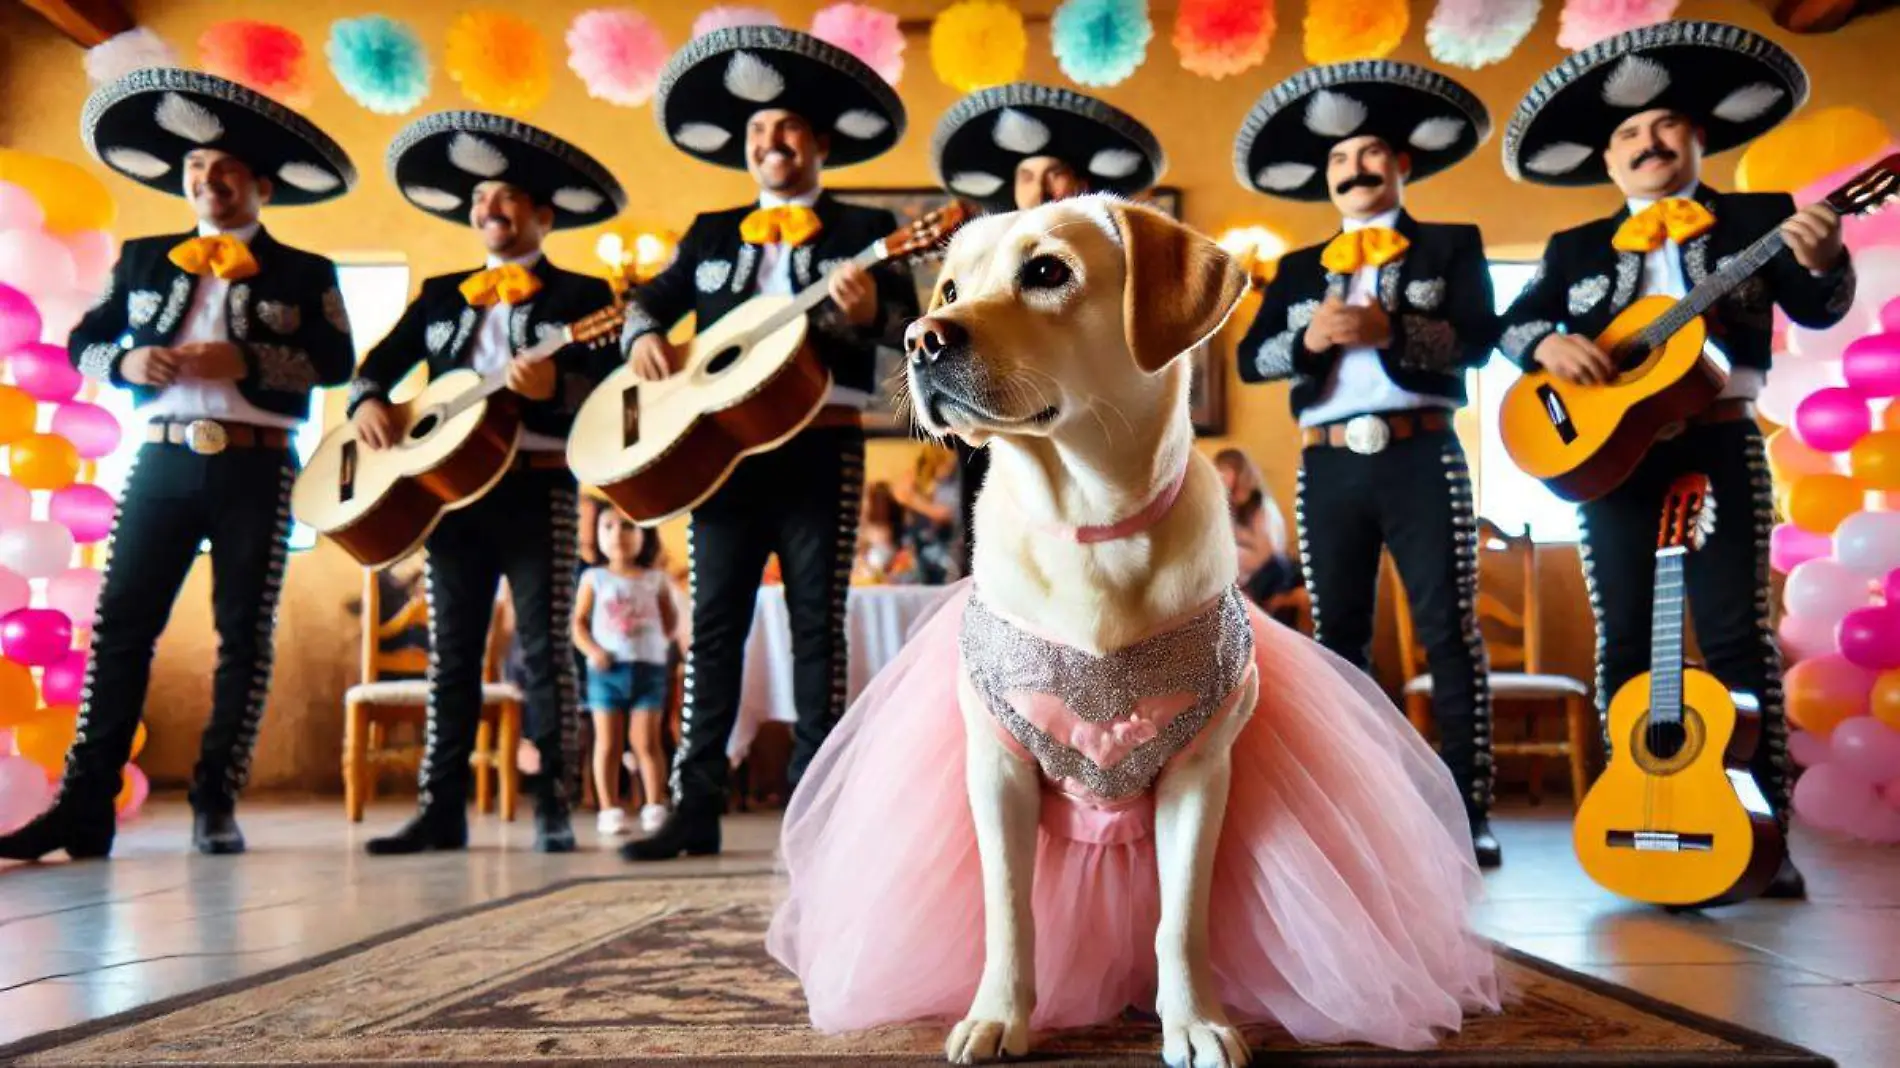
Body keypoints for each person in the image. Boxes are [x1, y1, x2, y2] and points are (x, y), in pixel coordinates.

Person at [1496, 21, 1855, 899]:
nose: (1646, 143)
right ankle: (1638, 811)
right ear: (1608, 161)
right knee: (1625, 640)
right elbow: (1514, 324)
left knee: (1736, 636)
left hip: (1721, 441)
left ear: (1698, 137)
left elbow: (1817, 307)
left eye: (1664, 125)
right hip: (1611, 461)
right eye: (1626, 134)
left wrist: (1827, 255)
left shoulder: (1760, 218)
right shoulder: (1575, 247)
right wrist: (1549, 348)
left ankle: (1761, 834)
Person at [2, 68, 357, 863]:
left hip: (257, 468)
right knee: (121, 631)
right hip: (159, 464)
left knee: (243, 635)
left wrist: (247, 358)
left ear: (260, 185)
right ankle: (82, 809)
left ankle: (214, 801)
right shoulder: (143, 257)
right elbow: (83, 343)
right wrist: (131, 366)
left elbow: (336, 361)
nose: (208, 182)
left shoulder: (305, 271)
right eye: (197, 170)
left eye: (225, 170)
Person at [618, 26, 917, 860]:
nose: (769, 143)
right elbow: (652, 299)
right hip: (718, 455)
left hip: (822, 446)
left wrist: (870, 317)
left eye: (785, 129)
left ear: (819, 143)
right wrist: (641, 336)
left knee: (816, 624)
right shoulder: (712, 230)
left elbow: (909, 326)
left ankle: (818, 811)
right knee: (712, 626)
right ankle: (693, 807)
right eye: (756, 133)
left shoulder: (867, 225)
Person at [1235, 61, 1504, 867]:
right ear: (1328, 176)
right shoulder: (1294, 267)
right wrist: (1309, 340)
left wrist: (1396, 334)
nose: (1355, 168)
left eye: (1371, 154)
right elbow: (1253, 360)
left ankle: (1467, 809)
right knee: (1337, 637)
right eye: (1340, 160)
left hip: (1424, 451)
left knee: (1447, 630)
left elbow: (1482, 340)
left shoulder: (1453, 245)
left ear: (1402, 165)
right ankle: (1350, 806)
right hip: (1328, 466)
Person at [349, 111, 625, 855]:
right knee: (454, 652)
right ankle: (440, 810)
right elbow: (376, 361)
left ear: (542, 214)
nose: (487, 211)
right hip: (448, 496)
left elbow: (614, 390)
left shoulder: (586, 297)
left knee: (544, 649)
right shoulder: (442, 293)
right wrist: (367, 400)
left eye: (502, 199)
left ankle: (554, 808)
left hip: (540, 488)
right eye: (477, 202)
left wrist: (554, 388)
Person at [930, 84, 1167, 575]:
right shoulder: (984, 256)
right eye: (1026, 175)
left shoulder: (1109, 264)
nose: (1037, 189)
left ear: (1082, 183)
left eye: (1053, 174)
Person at [573, 508, 679, 837]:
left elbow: (670, 622)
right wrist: (593, 650)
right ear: (598, 534)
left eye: (628, 526)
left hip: (649, 670)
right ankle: (609, 808)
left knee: (647, 742)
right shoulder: (594, 578)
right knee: (608, 743)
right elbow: (578, 623)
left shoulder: (656, 579)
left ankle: (654, 803)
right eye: (608, 526)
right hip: (607, 672)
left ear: (644, 533)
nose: (618, 534)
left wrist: (657, 641)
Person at [1212, 448, 1300, 617]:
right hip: (1240, 572)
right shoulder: (1225, 506)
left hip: (1267, 572)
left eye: (1223, 470)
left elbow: (1267, 554)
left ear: (1240, 473)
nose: (1218, 476)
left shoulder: (1262, 506)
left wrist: (1232, 556)